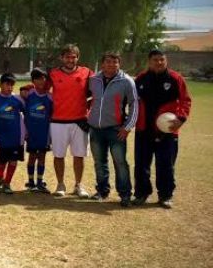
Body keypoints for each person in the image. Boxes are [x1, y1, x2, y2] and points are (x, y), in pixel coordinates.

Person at [133, 50, 192, 209]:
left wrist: (181, 119)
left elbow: (185, 100)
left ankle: (165, 196)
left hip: (167, 130)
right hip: (144, 129)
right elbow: (132, 101)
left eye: (161, 60)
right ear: (149, 61)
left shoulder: (175, 78)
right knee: (141, 164)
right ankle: (141, 194)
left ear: (166, 61)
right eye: (155, 60)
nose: (159, 62)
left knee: (165, 164)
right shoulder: (141, 78)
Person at [87, 52, 138, 207]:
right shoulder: (93, 80)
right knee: (99, 162)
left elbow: (134, 104)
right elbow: (87, 99)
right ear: (102, 64)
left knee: (120, 163)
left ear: (119, 64)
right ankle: (102, 191)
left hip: (116, 130)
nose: (112, 65)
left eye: (115, 62)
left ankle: (125, 195)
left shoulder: (127, 81)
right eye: (108, 62)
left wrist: (128, 127)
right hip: (96, 129)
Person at [48, 44, 93, 198]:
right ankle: (60, 184)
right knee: (58, 155)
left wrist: (90, 109)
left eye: (73, 57)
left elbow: (97, 91)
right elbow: (41, 89)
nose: (70, 59)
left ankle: (78, 185)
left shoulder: (86, 72)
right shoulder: (53, 73)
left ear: (77, 58)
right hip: (58, 121)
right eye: (67, 56)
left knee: (79, 156)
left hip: (80, 121)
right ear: (62, 58)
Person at [0, 73, 26, 194]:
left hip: (16, 136)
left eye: (12, 85)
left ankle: (7, 183)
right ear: (0, 85)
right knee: (2, 161)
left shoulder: (17, 100)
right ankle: (0, 176)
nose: (9, 87)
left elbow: (27, 110)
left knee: (13, 160)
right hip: (2, 136)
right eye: (7, 84)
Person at [23, 69, 53, 193]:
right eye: (38, 78)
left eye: (44, 78)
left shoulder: (49, 97)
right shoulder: (28, 94)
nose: (41, 81)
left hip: (44, 133)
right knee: (32, 156)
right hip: (31, 132)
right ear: (33, 81)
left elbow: (52, 114)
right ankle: (31, 182)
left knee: (42, 157)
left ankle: (40, 182)